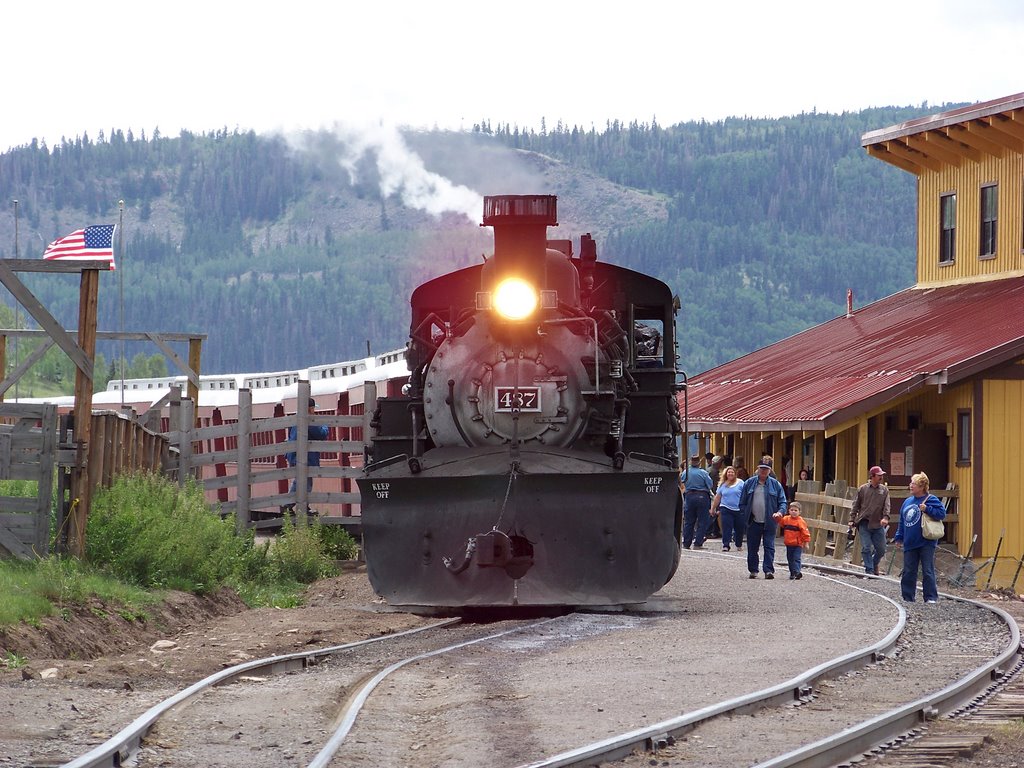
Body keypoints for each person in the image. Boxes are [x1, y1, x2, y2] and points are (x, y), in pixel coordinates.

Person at [893, 471, 946, 604]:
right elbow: (902, 521)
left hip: (926, 542)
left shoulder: (931, 499)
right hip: (910, 542)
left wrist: (927, 509)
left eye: (914, 483)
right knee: (909, 570)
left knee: (927, 570)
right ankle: (907, 597)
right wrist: (899, 537)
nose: (910, 486)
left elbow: (941, 514)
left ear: (922, 486)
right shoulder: (907, 502)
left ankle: (930, 597)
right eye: (911, 483)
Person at [739, 461, 788, 579]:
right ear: (757, 469)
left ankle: (768, 570)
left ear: (770, 470)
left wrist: (780, 512)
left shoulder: (776, 485)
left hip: (770, 521)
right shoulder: (749, 483)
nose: (763, 471)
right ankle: (753, 570)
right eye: (761, 468)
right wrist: (746, 514)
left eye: (766, 469)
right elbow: (742, 502)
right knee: (752, 547)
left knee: (769, 546)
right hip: (753, 521)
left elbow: (783, 502)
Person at [286, 397, 329, 513]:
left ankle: (298, 506)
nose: (314, 411)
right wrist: (325, 425)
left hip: (294, 455)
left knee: (300, 481)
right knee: (304, 482)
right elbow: (321, 434)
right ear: (310, 409)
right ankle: (288, 506)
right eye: (313, 408)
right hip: (305, 457)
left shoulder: (295, 419)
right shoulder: (308, 421)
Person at [849, 466, 891, 575]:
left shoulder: (884, 490)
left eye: (882, 475)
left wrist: (886, 517)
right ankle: (869, 570)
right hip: (864, 522)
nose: (881, 477)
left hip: (877, 523)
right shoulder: (863, 489)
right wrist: (852, 519)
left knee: (881, 549)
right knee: (866, 547)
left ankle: (873, 563)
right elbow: (856, 505)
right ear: (872, 476)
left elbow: (887, 505)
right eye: (879, 475)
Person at [681, 453, 715, 549]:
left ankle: (686, 543)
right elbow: (710, 485)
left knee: (689, 521)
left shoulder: (686, 472)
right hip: (702, 496)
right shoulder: (703, 473)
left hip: (689, 496)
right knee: (702, 521)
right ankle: (698, 543)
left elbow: (682, 480)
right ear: (699, 463)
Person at [711, 465, 745, 552]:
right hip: (725, 508)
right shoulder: (722, 485)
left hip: (738, 509)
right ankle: (726, 545)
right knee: (726, 527)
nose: (730, 474)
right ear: (726, 474)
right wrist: (713, 508)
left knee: (739, 528)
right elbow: (717, 497)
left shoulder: (741, 483)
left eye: (732, 472)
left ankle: (739, 544)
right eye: (729, 472)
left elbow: (745, 495)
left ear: (735, 474)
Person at [775, 501, 811, 579]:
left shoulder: (800, 522)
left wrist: (806, 543)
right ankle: (792, 573)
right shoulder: (786, 519)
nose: (793, 512)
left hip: (798, 544)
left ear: (799, 512)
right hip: (789, 544)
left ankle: (797, 572)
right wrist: (777, 517)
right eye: (792, 510)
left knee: (796, 558)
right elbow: (781, 523)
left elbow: (805, 533)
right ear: (789, 510)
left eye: (795, 510)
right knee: (790, 559)